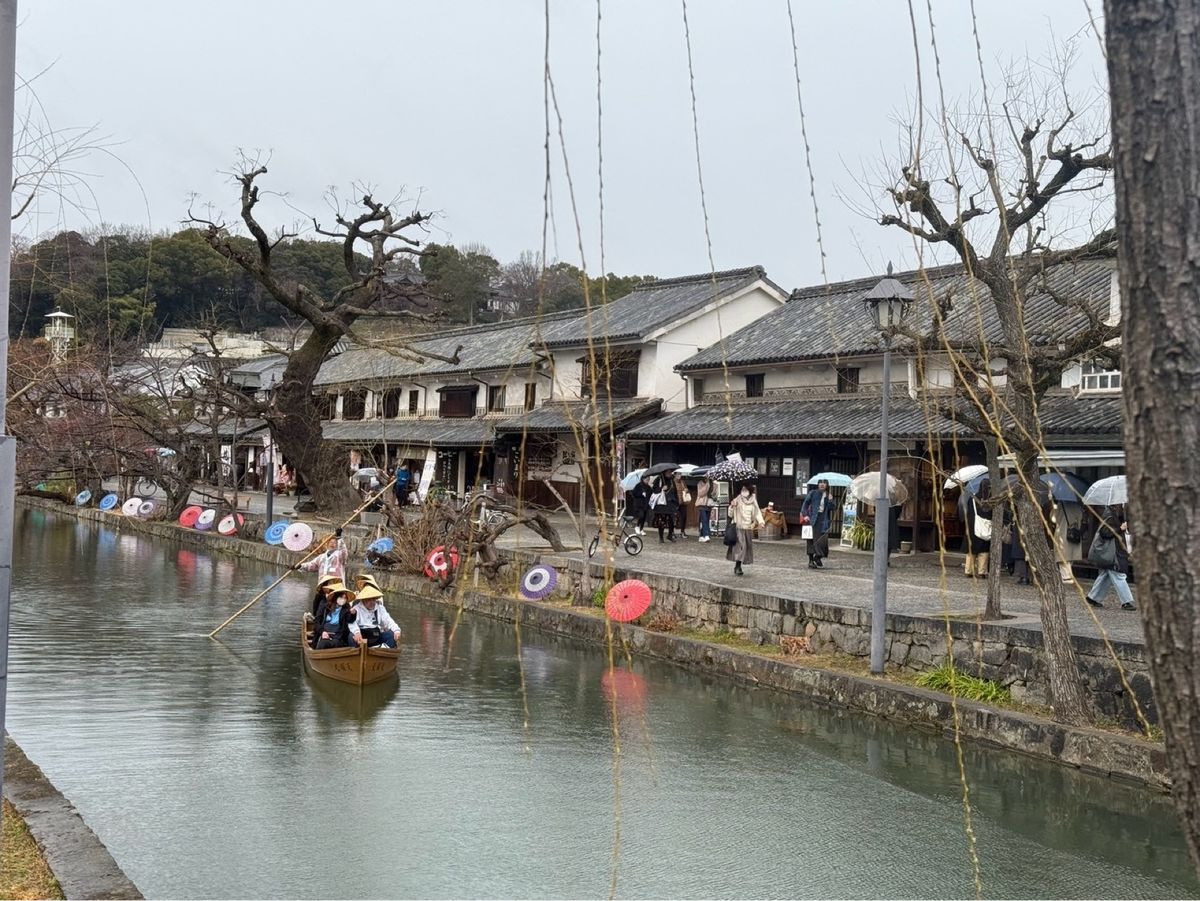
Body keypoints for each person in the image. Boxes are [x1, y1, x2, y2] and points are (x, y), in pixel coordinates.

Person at [1085, 505, 1135, 610]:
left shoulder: (1114, 513)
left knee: (1106, 575)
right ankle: (1126, 601)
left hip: (1114, 550)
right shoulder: (1110, 515)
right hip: (1113, 551)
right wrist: (1120, 529)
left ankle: (1093, 597)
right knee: (1118, 575)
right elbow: (1105, 533)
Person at [726, 483, 765, 576]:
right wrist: (732, 506)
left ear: (750, 491)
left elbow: (757, 512)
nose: (744, 492)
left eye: (746, 490)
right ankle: (738, 566)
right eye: (742, 490)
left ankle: (738, 565)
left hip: (747, 528)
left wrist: (761, 521)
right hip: (738, 527)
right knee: (741, 547)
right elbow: (730, 514)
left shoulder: (753, 501)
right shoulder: (737, 500)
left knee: (745, 548)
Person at [349, 584, 403, 648]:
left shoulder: (380, 608)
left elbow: (388, 620)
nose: (372, 602)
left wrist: (396, 631)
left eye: (373, 599)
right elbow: (352, 623)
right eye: (369, 600)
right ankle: (358, 654)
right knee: (351, 636)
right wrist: (357, 632)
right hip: (362, 638)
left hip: (375, 637)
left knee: (391, 635)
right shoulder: (356, 609)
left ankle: (381, 651)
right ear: (363, 599)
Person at [800, 478, 834, 569]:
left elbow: (832, 508)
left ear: (827, 485)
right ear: (818, 484)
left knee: (823, 541)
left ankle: (817, 557)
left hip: (823, 520)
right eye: (820, 483)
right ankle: (811, 561)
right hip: (813, 519)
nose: (822, 484)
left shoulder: (828, 495)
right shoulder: (813, 493)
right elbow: (805, 504)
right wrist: (805, 515)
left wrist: (830, 500)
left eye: (824, 483)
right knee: (811, 540)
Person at [310, 582, 357, 649]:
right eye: (341, 597)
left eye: (345, 598)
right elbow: (316, 621)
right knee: (323, 643)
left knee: (336, 643)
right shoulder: (325, 607)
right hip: (324, 633)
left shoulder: (346, 608)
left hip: (338, 636)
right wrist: (322, 632)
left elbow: (350, 620)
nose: (343, 600)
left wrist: (353, 614)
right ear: (336, 597)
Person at [963, 481, 991, 577]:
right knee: (984, 550)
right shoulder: (991, 500)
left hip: (973, 525)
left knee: (971, 550)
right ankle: (982, 571)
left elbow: (967, 512)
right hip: (985, 526)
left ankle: (969, 570)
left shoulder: (972, 499)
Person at [652, 474, 679, 543]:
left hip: (670, 503)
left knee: (672, 521)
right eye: (668, 472)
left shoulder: (671, 480)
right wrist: (661, 488)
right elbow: (654, 490)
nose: (669, 473)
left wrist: (676, 502)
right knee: (661, 521)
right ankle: (661, 537)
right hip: (662, 504)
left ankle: (670, 535)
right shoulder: (659, 479)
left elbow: (675, 492)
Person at [695, 476, 716, 542]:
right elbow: (700, 493)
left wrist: (714, 486)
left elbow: (714, 494)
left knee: (706, 520)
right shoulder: (700, 483)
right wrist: (707, 485)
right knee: (704, 519)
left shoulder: (712, 483)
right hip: (702, 504)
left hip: (709, 504)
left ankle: (701, 535)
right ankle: (706, 535)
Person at [674, 473, 692, 538]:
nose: (679, 476)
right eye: (678, 474)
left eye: (680, 474)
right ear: (675, 475)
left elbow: (686, 489)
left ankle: (682, 531)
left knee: (684, 517)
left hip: (683, 501)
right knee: (674, 517)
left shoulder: (682, 482)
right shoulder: (673, 482)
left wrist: (686, 490)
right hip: (675, 502)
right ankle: (672, 532)